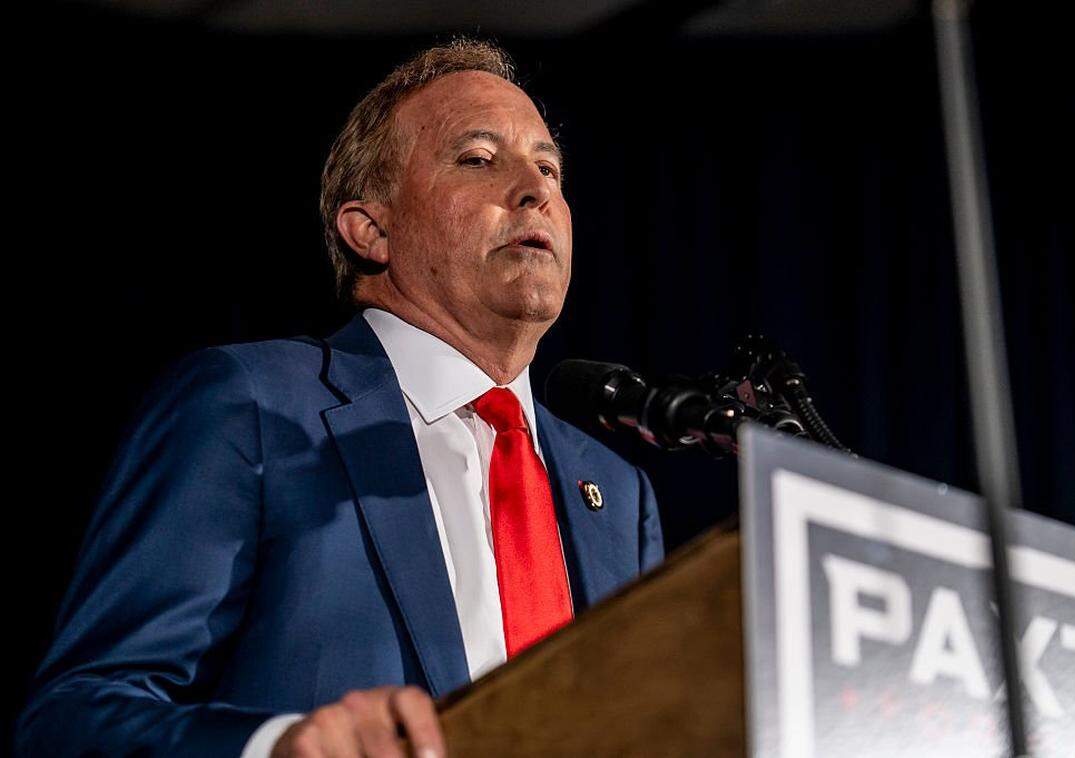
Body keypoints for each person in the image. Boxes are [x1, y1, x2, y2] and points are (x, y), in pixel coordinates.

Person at [16, 40, 664, 757]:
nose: (537, 189)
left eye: (549, 168)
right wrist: (277, 746)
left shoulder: (615, 493)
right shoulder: (253, 408)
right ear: (371, 228)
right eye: (479, 158)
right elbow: (75, 720)